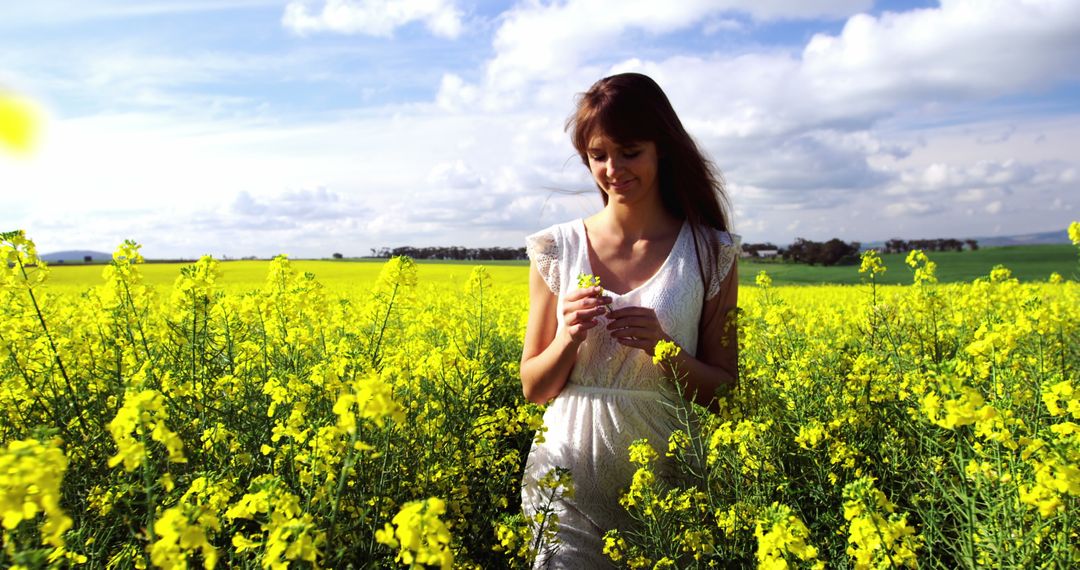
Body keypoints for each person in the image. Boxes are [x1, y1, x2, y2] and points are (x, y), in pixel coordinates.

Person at [519, 72, 740, 568]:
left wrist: (664, 349)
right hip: (563, 491)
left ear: (662, 149)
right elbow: (534, 386)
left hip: (670, 489)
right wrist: (569, 339)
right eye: (598, 156)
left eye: (630, 152)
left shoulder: (711, 253)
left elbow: (726, 392)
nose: (613, 169)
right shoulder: (556, 249)